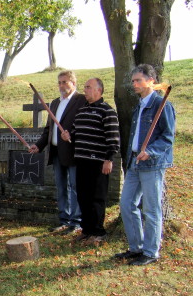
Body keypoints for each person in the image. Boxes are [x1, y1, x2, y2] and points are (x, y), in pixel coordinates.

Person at [115, 64, 176, 266]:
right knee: (127, 204)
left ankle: (150, 252)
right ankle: (136, 248)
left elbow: (168, 137)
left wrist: (150, 151)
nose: (134, 84)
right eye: (133, 81)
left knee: (151, 209)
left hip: (152, 164)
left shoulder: (162, 105)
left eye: (138, 80)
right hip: (134, 162)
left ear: (151, 80)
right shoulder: (139, 106)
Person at [61, 78, 120, 242]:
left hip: (98, 162)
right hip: (81, 161)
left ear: (98, 90)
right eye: (85, 87)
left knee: (97, 198)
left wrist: (109, 159)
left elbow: (113, 138)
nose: (85, 90)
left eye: (88, 87)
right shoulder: (81, 111)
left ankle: (98, 232)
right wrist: (68, 136)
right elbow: (75, 134)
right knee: (83, 197)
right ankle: (86, 230)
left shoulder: (107, 111)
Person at [29, 70, 86, 234]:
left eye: (65, 82)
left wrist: (72, 134)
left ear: (73, 83)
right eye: (59, 82)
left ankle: (76, 222)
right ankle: (64, 220)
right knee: (61, 188)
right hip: (56, 152)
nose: (61, 85)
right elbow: (49, 129)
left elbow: (84, 124)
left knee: (75, 187)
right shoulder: (55, 103)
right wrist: (39, 146)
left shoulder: (81, 100)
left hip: (73, 152)